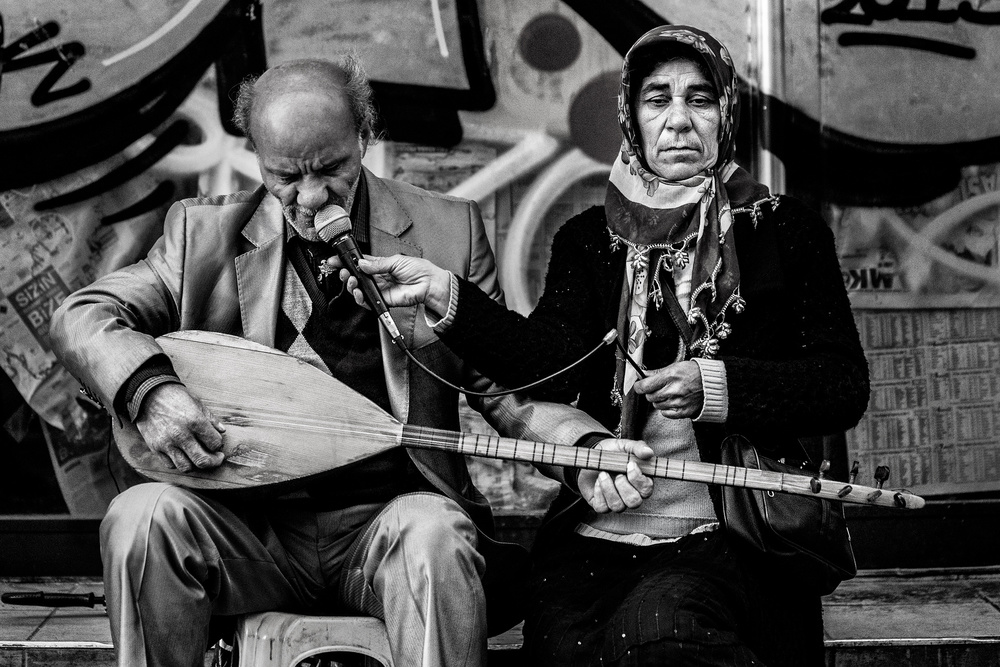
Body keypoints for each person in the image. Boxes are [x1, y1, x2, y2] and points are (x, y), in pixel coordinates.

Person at [49, 57, 610, 667]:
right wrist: (149, 392)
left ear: (365, 137)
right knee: (141, 517)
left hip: (386, 530)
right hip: (248, 534)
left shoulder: (448, 231)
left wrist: (585, 453)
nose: (311, 196)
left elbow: (505, 394)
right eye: (285, 175)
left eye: (333, 168)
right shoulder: (201, 235)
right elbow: (85, 315)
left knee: (436, 534)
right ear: (256, 154)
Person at [346, 25, 870, 666]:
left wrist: (716, 386)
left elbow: (841, 384)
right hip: (596, 531)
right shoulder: (589, 239)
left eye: (700, 99)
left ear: (726, 112)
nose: (678, 121)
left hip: (729, 532)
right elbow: (545, 363)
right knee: (567, 649)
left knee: (663, 632)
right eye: (658, 100)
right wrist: (446, 296)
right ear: (632, 116)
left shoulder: (784, 231)